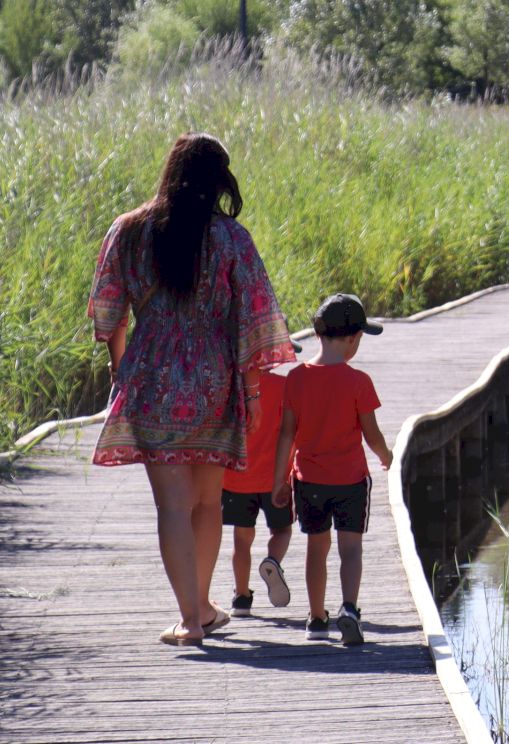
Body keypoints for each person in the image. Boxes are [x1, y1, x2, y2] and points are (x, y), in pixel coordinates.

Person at [88, 133, 297, 647]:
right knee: (208, 504)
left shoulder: (129, 230)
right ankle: (199, 608)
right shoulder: (230, 238)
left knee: (172, 507)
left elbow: (108, 312)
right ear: (217, 178)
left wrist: (122, 371)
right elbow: (255, 318)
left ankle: (192, 616)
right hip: (213, 379)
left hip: (152, 377)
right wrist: (251, 392)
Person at [271, 294, 392, 646]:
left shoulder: (295, 379)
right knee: (350, 549)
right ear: (353, 338)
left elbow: (286, 435)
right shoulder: (359, 382)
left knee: (316, 547)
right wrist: (386, 455)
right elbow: (372, 434)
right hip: (351, 480)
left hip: (308, 481)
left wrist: (279, 479)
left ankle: (316, 618)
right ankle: (350, 609)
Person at [220, 362, 293, 617]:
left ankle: (241, 598)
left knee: (241, 540)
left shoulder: (232, 389)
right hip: (276, 478)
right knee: (282, 530)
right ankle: (272, 561)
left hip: (237, 478)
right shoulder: (285, 387)